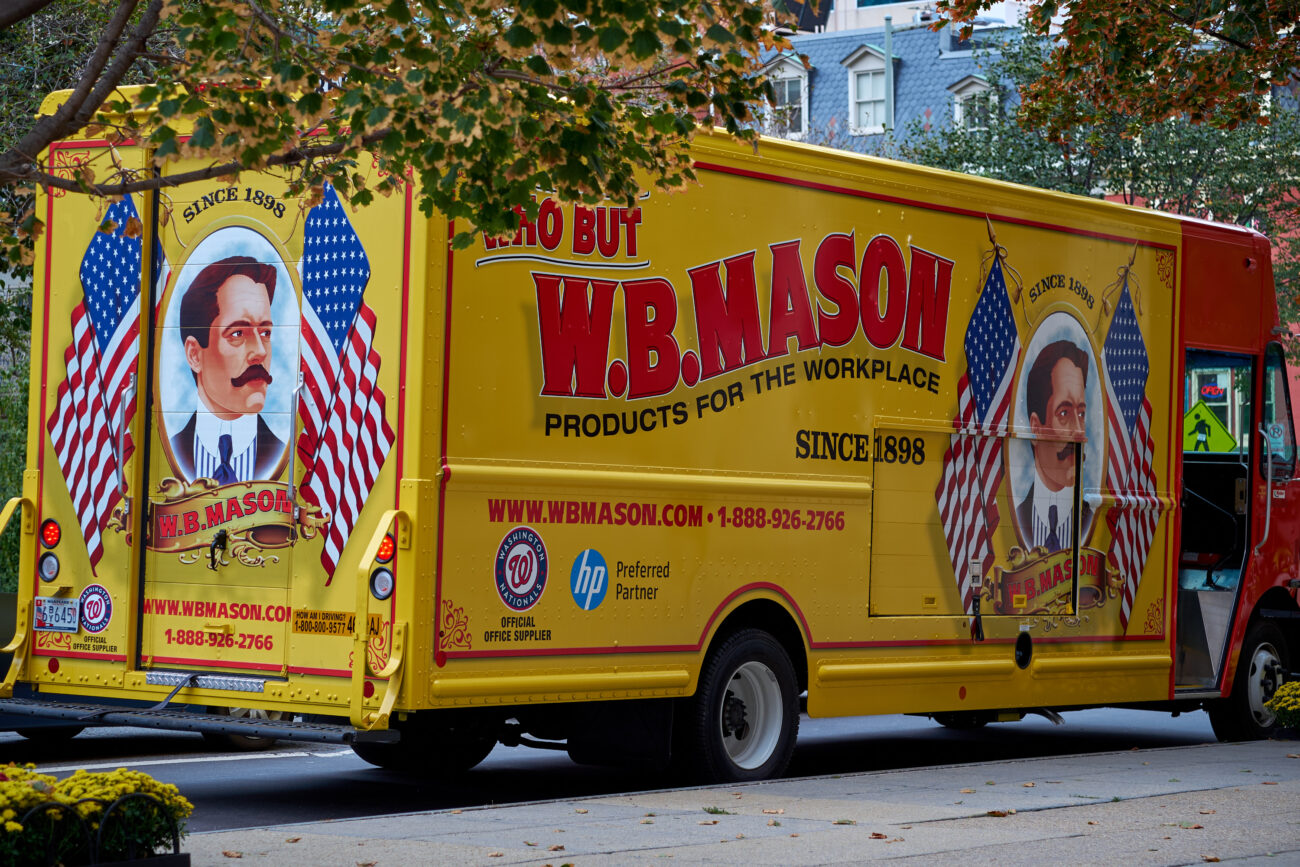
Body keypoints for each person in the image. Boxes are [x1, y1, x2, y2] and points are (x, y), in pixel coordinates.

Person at [169, 256, 285, 483]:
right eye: (238, 334)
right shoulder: (174, 449)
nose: (260, 351)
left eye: (265, 333)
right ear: (194, 355)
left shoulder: (278, 454)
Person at [1016, 339, 1093, 551]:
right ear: (1036, 428)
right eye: (1064, 413)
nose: (1078, 431)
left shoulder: (1090, 520)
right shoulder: (1015, 516)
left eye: (1081, 413)